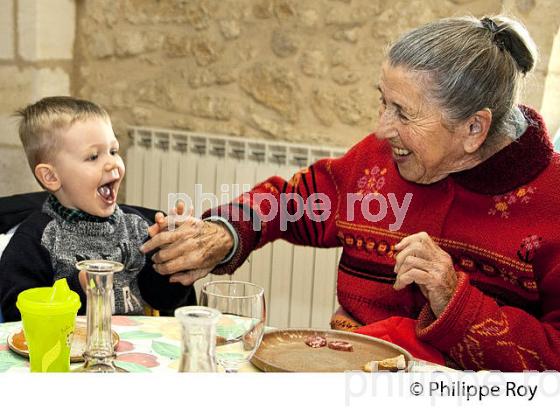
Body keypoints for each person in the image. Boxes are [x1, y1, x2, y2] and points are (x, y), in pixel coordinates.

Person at [142, 16, 560, 371]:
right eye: (384, 103)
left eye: (403, 113)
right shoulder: (380, 158)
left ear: (474, 128)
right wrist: (224, 234)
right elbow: (292, 202)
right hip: (351, 377)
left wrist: (455, 298)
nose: (381, 128)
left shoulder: (551, 201)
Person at [0, 97, 195, 321]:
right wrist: (78, 288)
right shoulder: (36, 238)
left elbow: (163, 301)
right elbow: (17, 314)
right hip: (70, 352)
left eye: (113, 151)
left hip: (136, 350)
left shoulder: (137, 226)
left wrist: (169, 258)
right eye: (93, 156)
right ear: (51, 176)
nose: (112, 163)